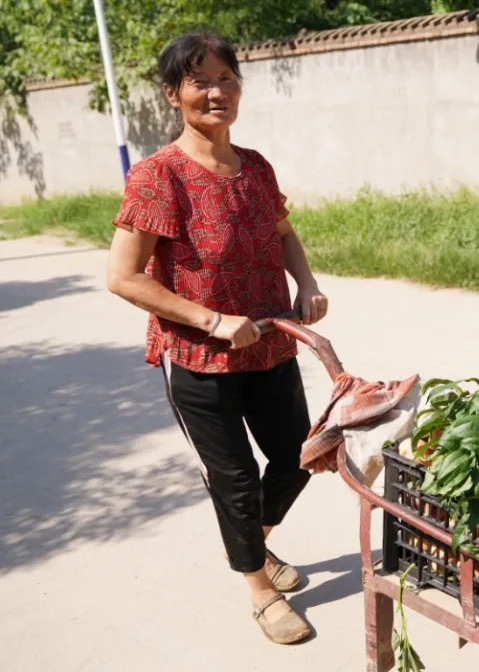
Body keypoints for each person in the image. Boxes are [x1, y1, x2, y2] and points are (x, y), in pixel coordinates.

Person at [106, 32, 327, 645]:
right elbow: (122, 278)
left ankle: (254, 544)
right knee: (232, 478)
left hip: (272, 344)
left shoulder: (255, 166)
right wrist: (211, 320)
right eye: (199, 80)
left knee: (298, 458)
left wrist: (305, 281)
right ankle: (260, 590)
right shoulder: (158, 176)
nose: (216, 91)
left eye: (226, 77)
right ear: (173, 93)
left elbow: (283, 231)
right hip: (199, 359)